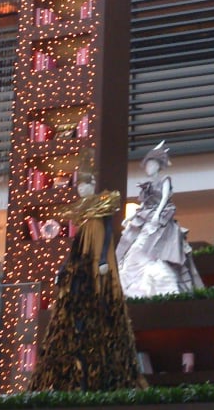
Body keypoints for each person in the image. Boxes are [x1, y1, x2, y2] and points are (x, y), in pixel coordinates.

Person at [29, 174, 146, 392]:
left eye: (85, 186)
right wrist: (64, 268)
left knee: (98, 299)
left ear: (92, 185)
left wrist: (103, 258)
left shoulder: (103, 202)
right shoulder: (81, 213)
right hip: (83, 262)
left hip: (98, 260)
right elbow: (76, 245)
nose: (81, 190)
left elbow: (109, 231)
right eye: (79, 187)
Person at [116, 142, 204, 298]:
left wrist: (158, 213)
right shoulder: (148, 184)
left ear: (157, 165)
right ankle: (133, 286)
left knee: (155, 247)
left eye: (151, 164)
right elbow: (143, 204)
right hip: (147, 217)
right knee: (135, 248)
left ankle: (162, 285)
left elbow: (164, 198)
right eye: (147, 165)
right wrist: (130, 217)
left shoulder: (165, 180)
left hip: (161, 221)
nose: (148, 168)